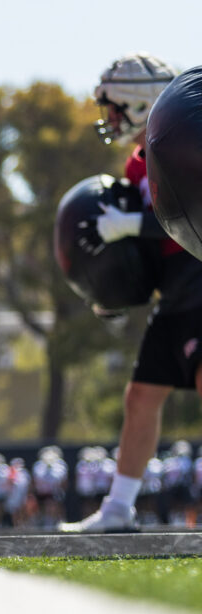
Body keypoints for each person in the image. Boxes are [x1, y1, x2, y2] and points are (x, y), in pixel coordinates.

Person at [59, 52, 202, 533]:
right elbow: (145, 246)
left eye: (117, 107)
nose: (112, 118)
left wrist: (131, 225)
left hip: (200, 282)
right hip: (173, 292)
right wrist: (115, 287)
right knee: (140, 397)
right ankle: (118, 508)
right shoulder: (137, 164)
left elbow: (190, 218)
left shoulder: (189, 147)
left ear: (142, 103)